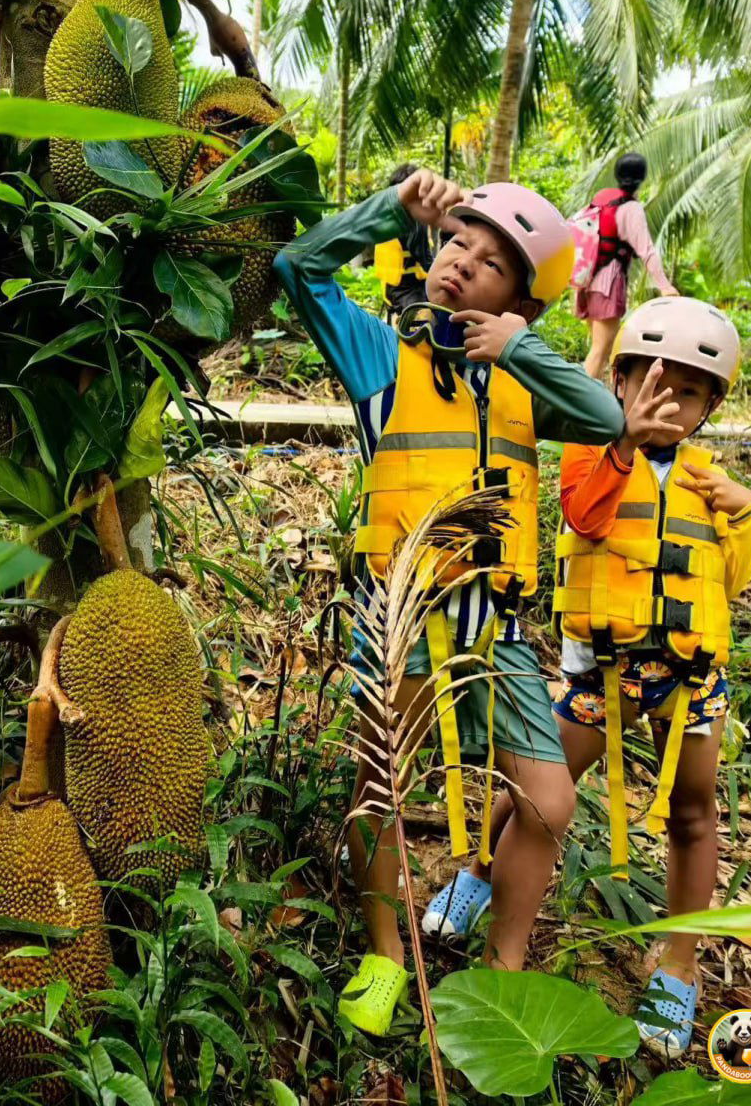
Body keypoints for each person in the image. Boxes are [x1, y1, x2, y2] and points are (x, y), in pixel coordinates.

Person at [274, 169, 631, 1037]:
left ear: (521, 302)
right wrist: (391, 210)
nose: (463, 262)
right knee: (380, 789)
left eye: (492, 262)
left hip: (493, 629)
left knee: (548, 802)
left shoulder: (519, 380)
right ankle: (385, 954)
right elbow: (297, 268)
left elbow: (605, 417)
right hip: (399, 620)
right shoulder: (377, 356)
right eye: (458, 242)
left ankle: (502, 966)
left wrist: (519, 348)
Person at [479, 298, 751, 1059]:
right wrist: (623, 443)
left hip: (689, 679)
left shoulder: (708, 480)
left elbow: (729, 580)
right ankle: (479, 874)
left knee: (693, 814)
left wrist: (745, 515)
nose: (668, 401)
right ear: (621, 381)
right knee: (537, 791)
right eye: (652, 382)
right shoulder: (589, 448)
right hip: (604, 674)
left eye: (689, 391)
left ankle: (678, 965)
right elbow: (586, 516)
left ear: (710, 407)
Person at [575, 152, 678, 381]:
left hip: (588, 280)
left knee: (600, 350)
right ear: (641, 178)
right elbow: (646, 250)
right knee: (600, 351)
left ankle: (591, 396)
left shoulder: (602, 199)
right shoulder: (631, 209)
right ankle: (575, 402)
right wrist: (665, 286)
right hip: (608, 283)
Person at [373, 163, 434, 319]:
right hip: (408, 290)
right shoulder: (414, 220)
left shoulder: (385, 214)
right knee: (432, 317)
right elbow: (426, 259)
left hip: (389, 287)